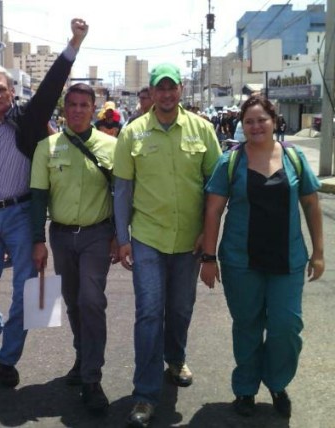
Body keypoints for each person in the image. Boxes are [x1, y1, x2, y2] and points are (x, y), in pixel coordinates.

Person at [0, 18, 89, 388]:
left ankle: (8, 359)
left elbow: (51, 87)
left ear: (11, 91)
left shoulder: (28, 118)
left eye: (1, 90)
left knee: (28, 289)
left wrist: (74, 43)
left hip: (21, 215)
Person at [200, 95, 324, 419]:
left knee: (286, 326)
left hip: (288, 260)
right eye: (249, 121)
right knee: (247, 326)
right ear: (242, 125)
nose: (255, 126)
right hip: (242, 261)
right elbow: (213, 210)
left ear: (274, 121)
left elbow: (311, 205)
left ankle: (277, 381)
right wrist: (208, 258)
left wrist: (319, 253)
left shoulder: (294, 159)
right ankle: (245, 389)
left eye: (261, 120)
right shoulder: (230, 161)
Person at [113, 63, 222, 427]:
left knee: (179, 309)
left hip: (189, 240)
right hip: (148, 238)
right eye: (160, 88)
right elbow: (123, 189)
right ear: (152, 92)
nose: (166, 94)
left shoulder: (203, 130)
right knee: (148, 313)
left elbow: (215, 187)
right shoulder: (133, 132)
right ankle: (144, 394)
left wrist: (208, 237)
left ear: (180, 89)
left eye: (171, 87)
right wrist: (123, 238)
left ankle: (175, 359)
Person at [30, 83, 118, 413]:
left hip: (97, 234)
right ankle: (83, 355)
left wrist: (120, 236)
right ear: (64, 110)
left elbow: (121, 195)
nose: (78, 110)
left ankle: (92, 378)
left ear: (93, 109)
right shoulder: (47, 147)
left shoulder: (112, 145)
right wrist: (37, 241)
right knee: (72, 300)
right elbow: (38, 198)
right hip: (62, 236)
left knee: (91, 300)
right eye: (73, 105)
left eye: (84, 105)